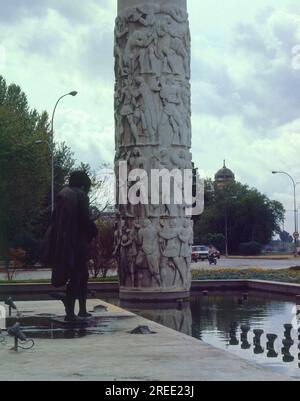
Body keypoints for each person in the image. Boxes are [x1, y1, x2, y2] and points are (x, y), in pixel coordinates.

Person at [41, 171, 98, 322]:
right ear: (83, 182)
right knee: (78, 275)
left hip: (65, 241)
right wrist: (94, 230)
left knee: (80, 274)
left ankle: (80, 310)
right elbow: (85, 220)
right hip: (77, 242)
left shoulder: (63, 194)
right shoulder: (81, 195)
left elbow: (55, 220)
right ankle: (72, 313)